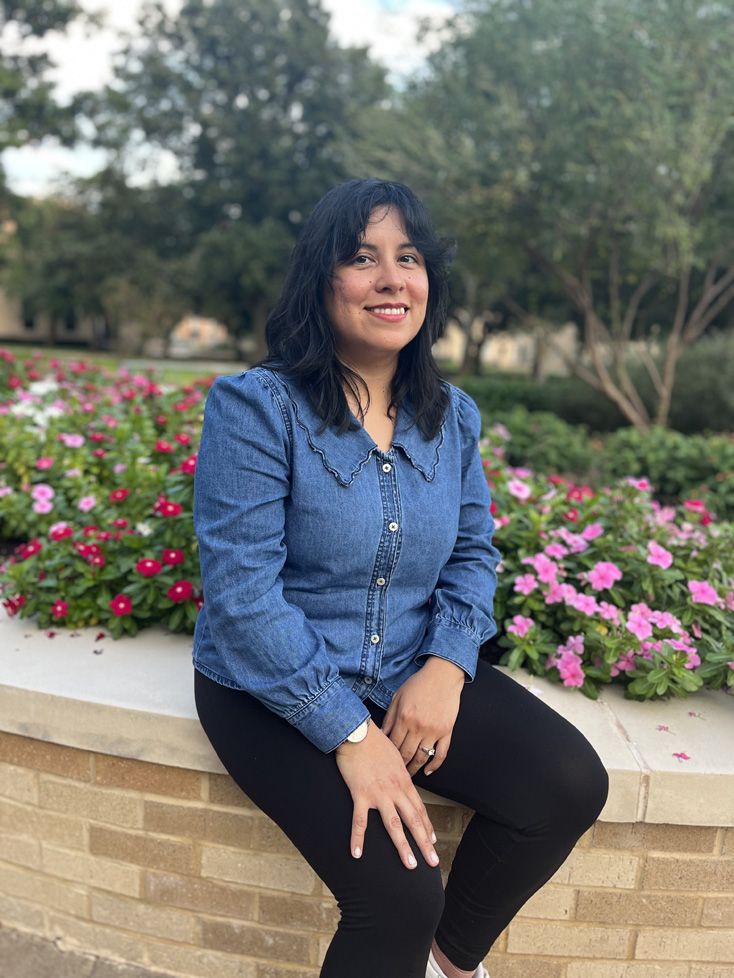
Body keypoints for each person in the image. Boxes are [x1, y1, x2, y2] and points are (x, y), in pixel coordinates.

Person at [192, 178, 609, 978]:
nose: (392, 279)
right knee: (400, 899)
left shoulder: (451, 415)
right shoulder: (256, 407)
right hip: (272, 686)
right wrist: (350, 735)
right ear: (322, 282)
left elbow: (472, 552)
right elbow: (243, 599)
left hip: (408, 666)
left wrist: (448, 667)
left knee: (564, 784)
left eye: (408, 259)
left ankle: (448, 966)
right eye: (362, 258)